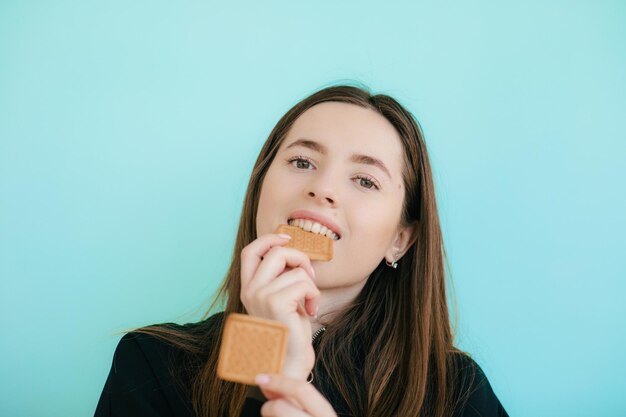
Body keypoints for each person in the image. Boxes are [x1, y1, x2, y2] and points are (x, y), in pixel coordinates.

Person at [94, 84, 509, 417]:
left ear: (400, 239)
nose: (323, 189)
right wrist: (267, 359)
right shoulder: (151, 363)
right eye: (302, 162)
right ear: (260, 190)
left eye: (365, 180)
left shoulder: (458, 393)